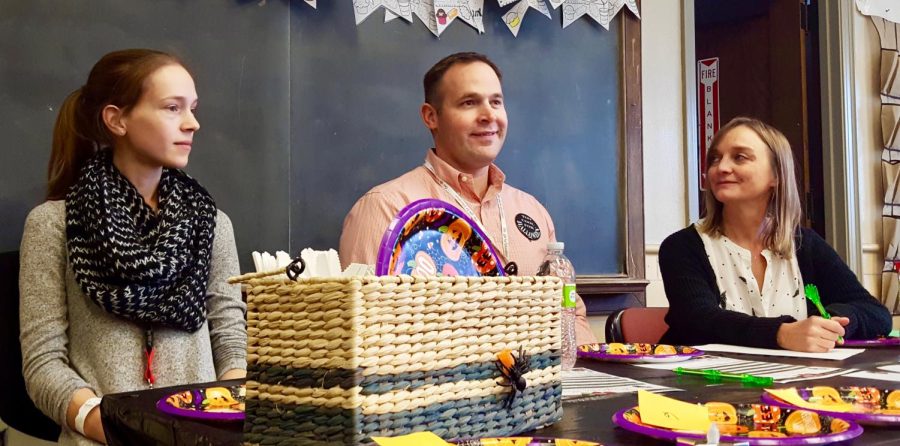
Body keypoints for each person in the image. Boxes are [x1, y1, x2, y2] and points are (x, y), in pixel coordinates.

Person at [19, 49, 247, 445]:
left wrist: (227, 415)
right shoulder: (53, 226)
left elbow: (230, 338)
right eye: (172, 108)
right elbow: (43, 363)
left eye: (192, 108)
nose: (192, 123)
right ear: (117, 119)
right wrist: (115, 429)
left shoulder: (212, 224)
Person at [339, 52, 597, 346]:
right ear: (431, 116)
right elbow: (370, 332)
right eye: (469, 102)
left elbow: (570, 316)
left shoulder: (533, 212)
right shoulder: (386, 207)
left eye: (496, 101)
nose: (489, 115)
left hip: (536, 388)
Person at [659, 117, 891, 352]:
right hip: (701, 383)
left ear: (776, 175)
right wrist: (781, 334)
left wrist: (829, 324)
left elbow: (875, 313)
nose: (721, 168)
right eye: (715, 159)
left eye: (739, 157)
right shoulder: (681, 246)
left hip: (792, 383)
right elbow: (697, 320)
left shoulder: (804, 244)